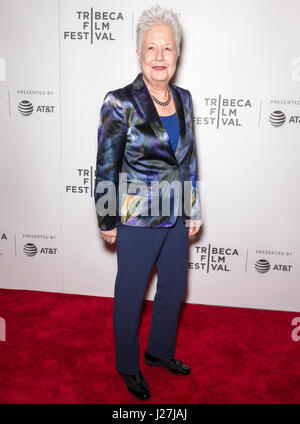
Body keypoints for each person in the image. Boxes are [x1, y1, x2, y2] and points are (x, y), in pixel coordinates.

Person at [94, 4, 202, 401]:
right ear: (139, 54)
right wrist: (106, 219)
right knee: (130, 295)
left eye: (167, 49)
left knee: (174, 289)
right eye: (151, 48)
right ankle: (128, 366)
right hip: (137, 218)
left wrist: (193, 207)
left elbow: (188, 158)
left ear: (177, 55)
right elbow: (106, 165)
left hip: (175, 214)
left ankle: (159, 352)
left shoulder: (186, 99)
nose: (160, 57)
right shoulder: (119, 102)